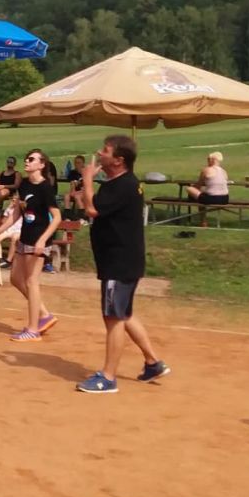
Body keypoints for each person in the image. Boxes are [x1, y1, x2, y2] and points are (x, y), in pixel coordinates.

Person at [76, 135, 170, 394]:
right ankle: (153, 363)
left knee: (113, 318)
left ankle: (108, 378)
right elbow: (92, 206)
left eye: (105, 151)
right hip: (121, 260)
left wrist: (87, 179)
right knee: (123, 313)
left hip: (118, 262)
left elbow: (92, 210)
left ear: (118, 160)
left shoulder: (123, 185)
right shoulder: (119, 183)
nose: (99, 153)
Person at [0, 149, 61, 341]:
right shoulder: (25, 184)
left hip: (38, 240)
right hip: (25, 238)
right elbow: (17, 214)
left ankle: (33, 330)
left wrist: (43, 240)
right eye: (26, 158)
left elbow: (57, 217)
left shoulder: (45, 187)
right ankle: (44, 314)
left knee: (31, 281)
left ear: (41, 165)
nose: (27, 161)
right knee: (15, 279)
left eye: (32, 159)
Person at [184, 151, 230, 226]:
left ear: (213, 160)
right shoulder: (224, 171)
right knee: (202, 196)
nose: (207, 161)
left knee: (189, 189)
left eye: (208, 159)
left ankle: (203, 222)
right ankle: (203, 221)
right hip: (225, 199)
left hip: (212, 198)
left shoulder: (206, 170)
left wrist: (192, 186)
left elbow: (198, 186)